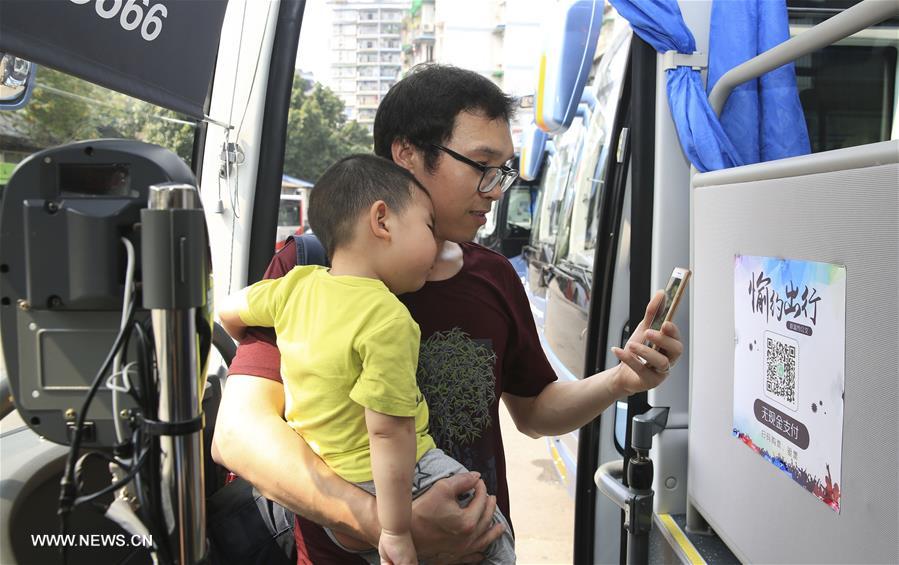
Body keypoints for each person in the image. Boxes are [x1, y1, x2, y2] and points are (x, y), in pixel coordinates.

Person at [212, 64, 683, 564]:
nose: (496, 189)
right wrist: (389, 527)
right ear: (407, 156)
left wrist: (620, 382)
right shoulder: (311, 269)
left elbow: (535, 409)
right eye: (482, 164)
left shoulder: (494, 277)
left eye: (503, 170)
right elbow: (239, 435)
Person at [217, 154, 515, 565]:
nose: (435, 243)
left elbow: (229, 311)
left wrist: (282, 340)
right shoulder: (388, 317)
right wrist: (393, 530)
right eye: (428, 227)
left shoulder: (295, 285)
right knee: (494, 538)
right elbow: (389, 432)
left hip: (327, 478)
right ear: (382, 221)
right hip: (398, 484)